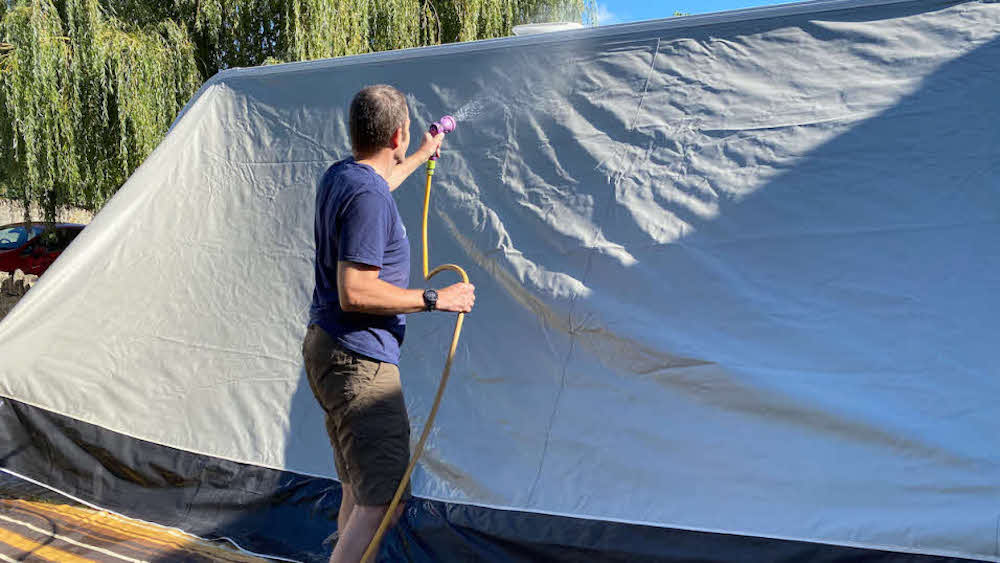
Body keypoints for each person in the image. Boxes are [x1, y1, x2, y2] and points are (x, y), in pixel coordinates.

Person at [302, 84, 476, 563]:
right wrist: (436, 299)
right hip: (360, 363)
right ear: (395, 133)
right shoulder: (367, 196)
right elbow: (354, 290)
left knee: (358, 492)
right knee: (385, 502)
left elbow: (381, 184)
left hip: (332, 350)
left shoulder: (344, 176)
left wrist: (422, 154)